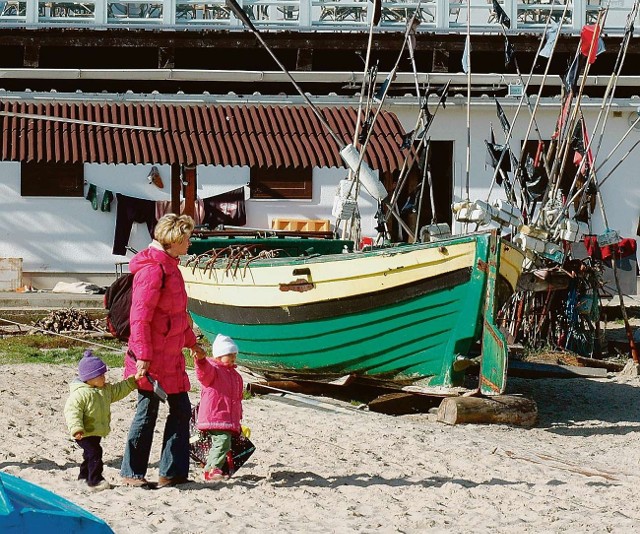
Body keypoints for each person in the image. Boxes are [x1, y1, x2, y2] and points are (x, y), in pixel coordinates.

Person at [120, 213, 207, 488]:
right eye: (188, 237)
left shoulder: (171, 267)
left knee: (181, 410)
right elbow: (140, 317)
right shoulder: (153, 269)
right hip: (151, 358)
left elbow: (176, 315)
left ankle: (172, 472)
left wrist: (192, 343)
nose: (191, 242)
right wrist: (143, 356)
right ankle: (132, 473)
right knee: (147, 414)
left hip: (171, 357)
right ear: (176, 240)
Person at [64, 350, 142, 492]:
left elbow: (118, 390)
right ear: (89, 378)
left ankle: (83, 478)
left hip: (96, 431)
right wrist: (76, 429)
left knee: (89, 455)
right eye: (100, 376)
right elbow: (72, 412)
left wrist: (132, 381)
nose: (104, 378)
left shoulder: (104, 390)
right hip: (83, 432)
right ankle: (95, 480)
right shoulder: (80, 394)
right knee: (95, 453)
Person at [193, 334, 244, 481]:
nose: (233, 358)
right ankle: (211, 469)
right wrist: (201, 360)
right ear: (219, 355)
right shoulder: (213, 370)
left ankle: (214, 468)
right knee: (222, 441)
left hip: (227, 418)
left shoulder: (235, 376)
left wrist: (238, 417)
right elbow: (203, 372)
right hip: (215, 415)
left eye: (234, 355)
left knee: (225, 443)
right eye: (229, 355)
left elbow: (236, 400)